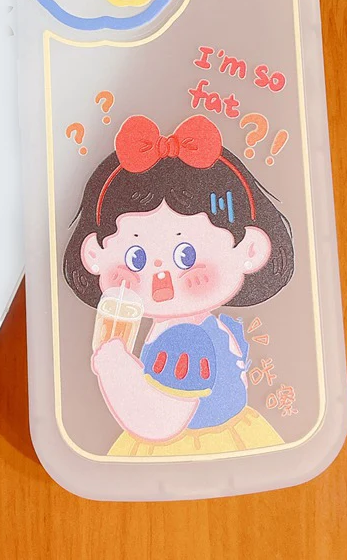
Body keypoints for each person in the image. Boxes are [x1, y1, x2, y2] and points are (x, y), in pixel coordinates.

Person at [64, 114, 295, 456]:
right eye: (136, 258)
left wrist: (113, 364)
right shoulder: (191, 329)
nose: (161, 277)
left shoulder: (185, 341)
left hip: (193, 449)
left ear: (249, 249)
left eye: (186, 255)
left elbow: (159, 421)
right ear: (94, 254)